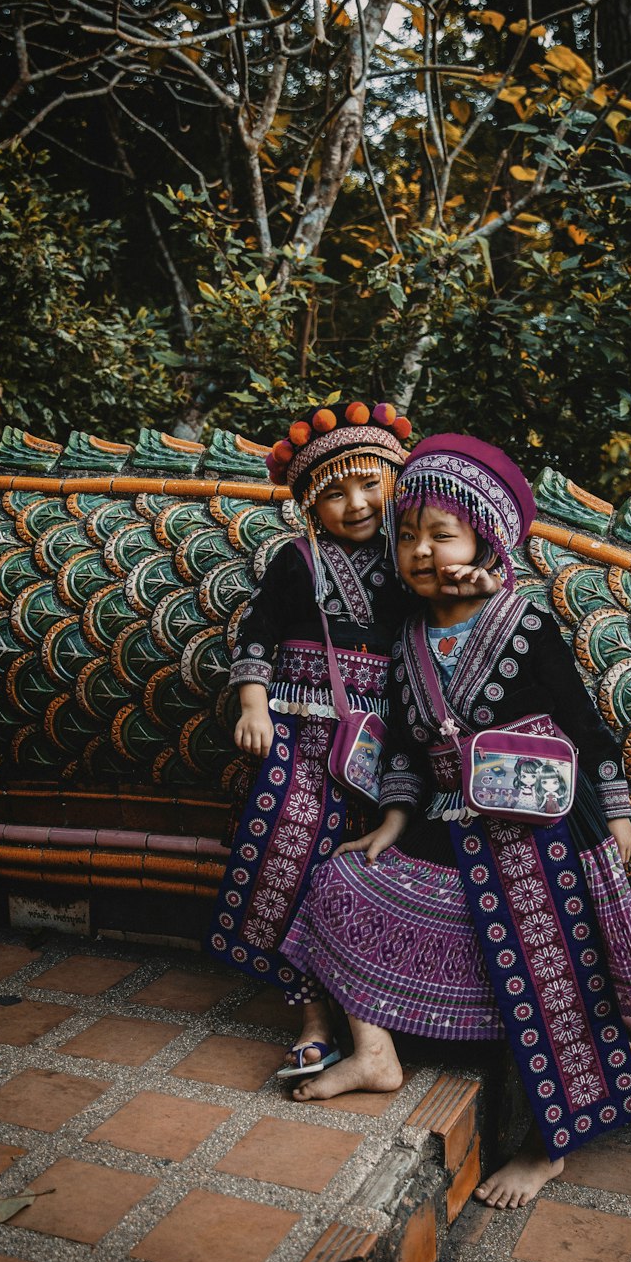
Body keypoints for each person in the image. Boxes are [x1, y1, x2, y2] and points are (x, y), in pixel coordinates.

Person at [279, 434, 631, 1205]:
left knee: (551, 968)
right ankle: (374, 1053)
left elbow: (586, 730)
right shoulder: (408, 638)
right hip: (445, 822)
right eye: (410, 534)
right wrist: (391, 823)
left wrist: (617, 816)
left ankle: (549, 1145)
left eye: (442, 534)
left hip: (540, 827)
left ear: (485, 542)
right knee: (343, 880)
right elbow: (401, 747)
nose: (422, 551)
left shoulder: (522, 622)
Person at [208, 400, 412, 1078]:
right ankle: (314, 1017)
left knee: (355, 871)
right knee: (287, 850)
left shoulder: (409, 558)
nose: (355, 503)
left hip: (378, 744)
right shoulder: (298, 560)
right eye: (334, 492)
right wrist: (253, 702)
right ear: (308, 505)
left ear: (394, 481)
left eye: (368, 483)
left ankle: (370, 1024)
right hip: (299, 732)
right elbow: (259, 631)